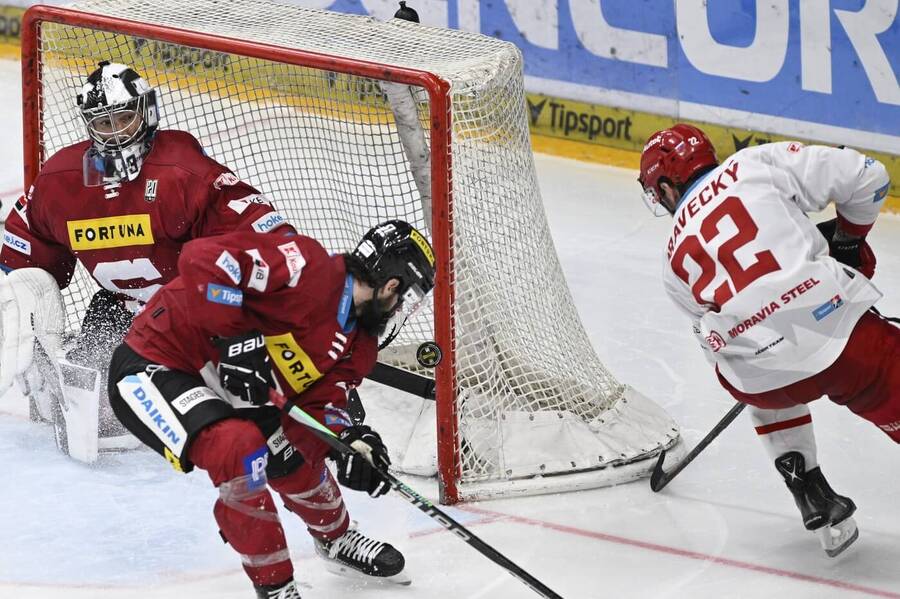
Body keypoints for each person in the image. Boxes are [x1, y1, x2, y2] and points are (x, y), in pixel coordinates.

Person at [107, 219, 435, 598]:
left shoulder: (359, 346)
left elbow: (320, 403)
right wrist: (235, 336)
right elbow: (203, 260)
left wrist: (347, 441)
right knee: (240, 449)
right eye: (405, 298)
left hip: (237, 389)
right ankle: (276, 587)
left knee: (291, 454)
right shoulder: (304, 267)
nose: (399, 310)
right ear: (391, 285)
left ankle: (336, 538)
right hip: (157, 363)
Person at [0, 61, 292, 463]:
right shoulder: (61, 179)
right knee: (100, 425)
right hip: (117, 316)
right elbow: (26, 240)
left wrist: (254, 323)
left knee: (243, 416)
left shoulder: (183, 171)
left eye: (124, 117)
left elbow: (272, 243)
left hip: (193, 319)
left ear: (147, 112)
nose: (116, 132)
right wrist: (17, 287)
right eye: (103, 123)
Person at [637, 123, 894, 557]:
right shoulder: (753, 164)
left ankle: (806, 483)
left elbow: (710, 337)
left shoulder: (672, 256)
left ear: (664, 185)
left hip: (763, 383)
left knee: (747, 352)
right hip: (844, 343)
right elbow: (870, 176)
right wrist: (848, 244)